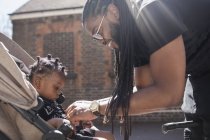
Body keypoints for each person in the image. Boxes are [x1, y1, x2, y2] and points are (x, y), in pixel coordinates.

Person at [65, 0, 210, 140]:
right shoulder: (132, 34)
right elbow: (145, 91)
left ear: (113, 11)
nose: (102, 41)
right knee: (196, 123)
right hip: (200, 72)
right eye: (96, 39)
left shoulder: (152, 11)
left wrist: (95, 108)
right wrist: (94, 105)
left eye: (98, 31)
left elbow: (168, 94)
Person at [28, 54, 115, 140]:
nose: (59, 92)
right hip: (61, 136)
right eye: (56, 87)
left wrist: (77, 121)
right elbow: (37, 127)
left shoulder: (53, 101)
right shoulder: (35, 103)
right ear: (38, 83)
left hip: (74, 131)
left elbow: (63, 116)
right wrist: (57, 122)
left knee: (109, 136)